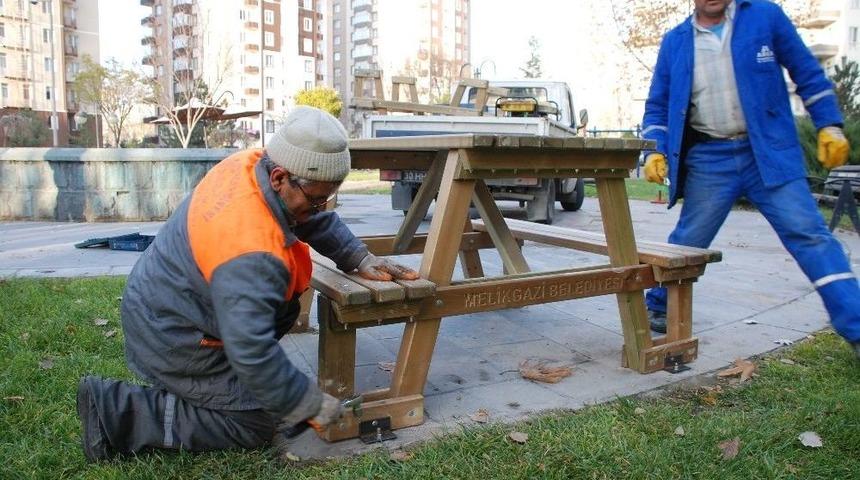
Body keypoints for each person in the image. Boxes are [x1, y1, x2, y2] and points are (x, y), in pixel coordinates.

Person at [75, 106, 419, 461]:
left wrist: (359, 257)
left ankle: (212, 389)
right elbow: (251, 350)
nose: (321, 208)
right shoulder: (251, 251)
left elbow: (311, 218)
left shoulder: (255, 166)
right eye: (316, 199)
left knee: (269, 388)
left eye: (327, 198)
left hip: (168, 307)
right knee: (255, 422)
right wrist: (308, 404)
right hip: (173, 337)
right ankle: (116, 411)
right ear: (280, 177)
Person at [641, 0, 860, 359]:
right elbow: (657, 106)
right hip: (710, 158)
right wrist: (654, 149)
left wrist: (829, 124)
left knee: (810, 236)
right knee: (688, 242)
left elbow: (807, 71)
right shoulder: (675, 41)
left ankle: (857, 327)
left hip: (768, 152)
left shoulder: (765, 17)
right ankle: (659, 305)